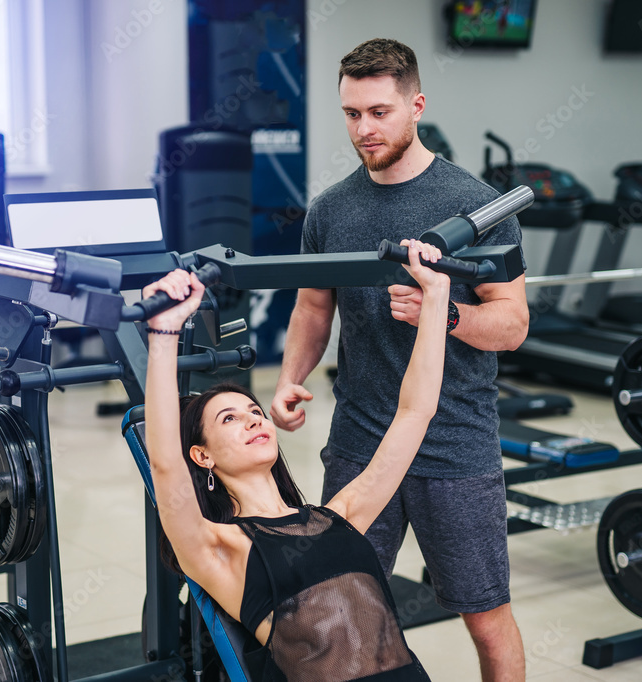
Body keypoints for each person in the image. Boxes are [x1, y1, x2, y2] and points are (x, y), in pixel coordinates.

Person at [270, 39, 528, 682]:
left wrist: (445, 314)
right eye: (352, 114)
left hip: (455, 441)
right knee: (338, 608)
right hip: (360, 440)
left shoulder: (475, 205)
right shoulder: (329, 209)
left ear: (416, 105)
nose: (365, 128)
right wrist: (289, 379)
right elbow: (312, 307)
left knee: (485, 615)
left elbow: (513, 325)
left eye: (379, 112)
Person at [143, 240, 447, 681]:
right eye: (230, 418)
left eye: (254, 411)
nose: (252, 420)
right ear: (202, 455)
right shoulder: (219, 548)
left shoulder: (340, 515)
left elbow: (415, 413)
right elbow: (165, 463)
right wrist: (164, 332)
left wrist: (436, 296)